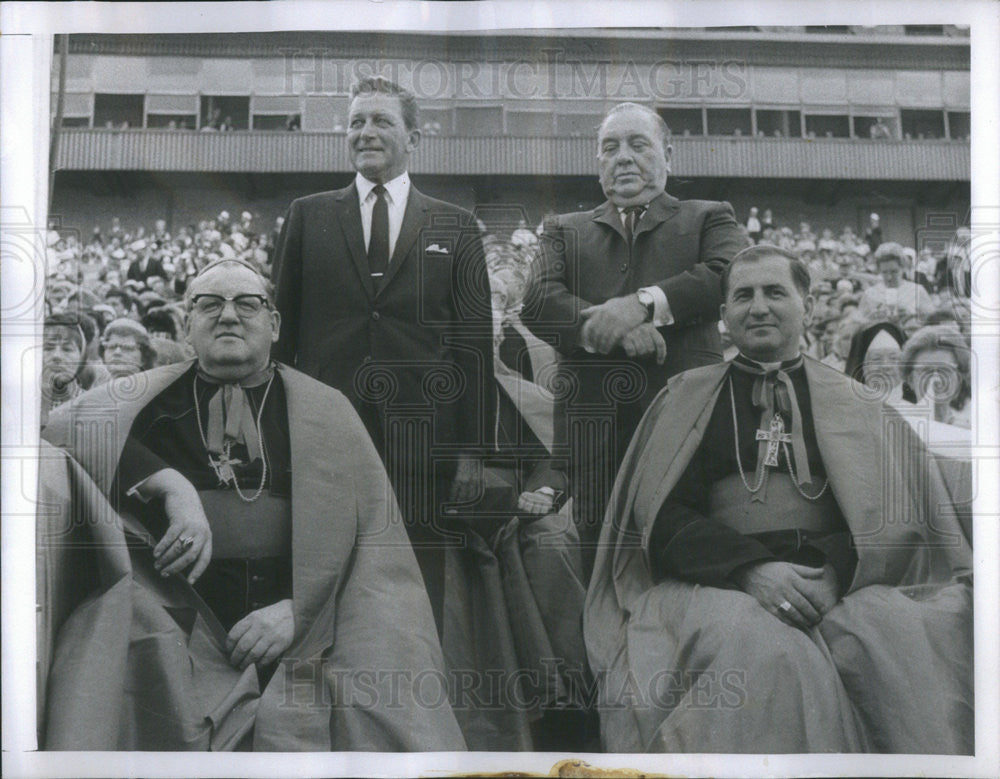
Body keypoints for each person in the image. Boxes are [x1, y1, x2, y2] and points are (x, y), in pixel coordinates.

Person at [41, 258, 465, 751]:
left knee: (384, 690)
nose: (228, 315)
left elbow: (369, 547)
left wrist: (299, 611)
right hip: (181, 621)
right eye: (209, 304)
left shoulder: (327, 408)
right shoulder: (144, 403)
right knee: (111, 654)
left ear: (275, 323)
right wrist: (170, 484)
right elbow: (63, 429)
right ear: (186, 322)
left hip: (309, 625)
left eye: (247, 303)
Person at [584, 244, 972, 753]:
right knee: (762, 652)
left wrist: (830, 571)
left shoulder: (858, 404)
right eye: (743, 296)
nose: (759, 306)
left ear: (807, 305)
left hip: (838, 578)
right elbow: (659, 515)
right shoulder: (684, 396)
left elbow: (895, 517)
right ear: (724, 317)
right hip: (718, 584)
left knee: (894, 642)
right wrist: (751, 570)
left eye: (775, 292)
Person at [272, 76, 495, 629]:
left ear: (414, 136)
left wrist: (472, 450)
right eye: (356, 122)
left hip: (424, 441)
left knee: (417, 590)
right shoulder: (308, 215)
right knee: (326, 583)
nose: (365, 132)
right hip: (327, 437)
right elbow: (283, 335)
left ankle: (412, 706)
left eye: (381, 121)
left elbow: (474, 346)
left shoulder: (456, 225)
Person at [523, 101, 744, 574]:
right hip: (593, 443)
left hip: (687, 434)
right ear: (598, 162)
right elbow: (539, 301)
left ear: (668, 155)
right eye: (610, 147)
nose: (622, 157)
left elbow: (727, 275)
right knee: (601, 578)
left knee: (687, 572)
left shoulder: (709, 216)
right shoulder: (563, 228)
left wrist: (641, 305)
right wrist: (617, 332)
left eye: (637, 144)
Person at [900, 324, 971, 429]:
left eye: (945, 370)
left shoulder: (970, 433)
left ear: (959, 379)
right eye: (926, 371)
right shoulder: (895, 432)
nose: (936, 379)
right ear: (910, 380)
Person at [858, 242, 934, 325]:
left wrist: (912, 316)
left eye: (894, 272)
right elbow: (859, 326)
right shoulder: (870, 294)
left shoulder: (917, 291)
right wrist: (872, 318)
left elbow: (932, 322)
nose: (889, 277)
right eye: (884, 272)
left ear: (903, 267)